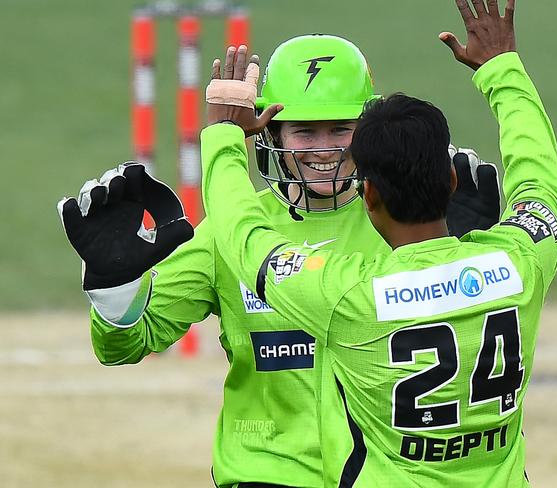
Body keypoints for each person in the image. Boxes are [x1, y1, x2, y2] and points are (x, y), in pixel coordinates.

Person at [58, 36, 500, 488]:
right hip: (264, 476)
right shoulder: (228, 230)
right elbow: (125, 347)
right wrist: (116, 292)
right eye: (304, 131)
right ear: (272, 133)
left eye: (340, 129)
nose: (323, 149)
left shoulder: (407, 224)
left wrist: (464, 250)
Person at [199, 0, 557, 486]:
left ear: (368, 193)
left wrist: (225, 137)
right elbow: (542, 184)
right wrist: (503, 69)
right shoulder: (521, 262)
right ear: (454, 183)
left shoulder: (346, 296)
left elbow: (242, 233)